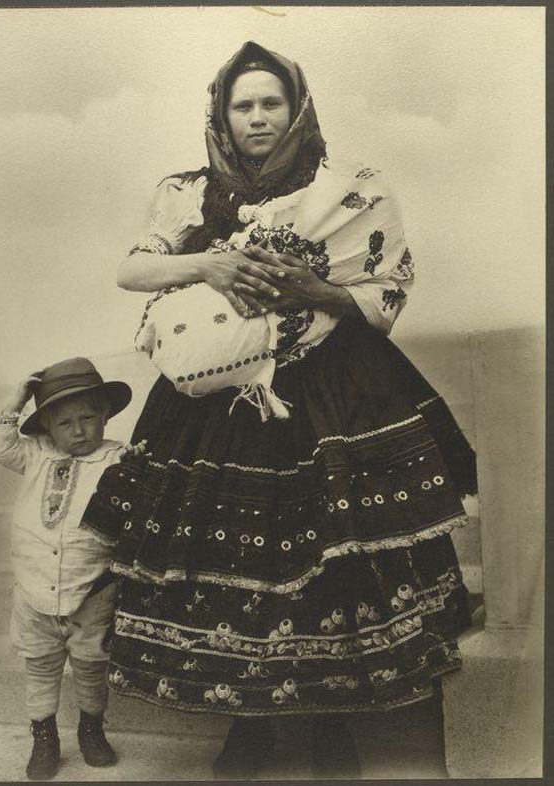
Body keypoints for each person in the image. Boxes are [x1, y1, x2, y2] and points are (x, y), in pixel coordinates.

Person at [81, 42, 477, 779]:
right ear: (222, 118)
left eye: (271, 103)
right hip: (217, 401)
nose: (257, 117)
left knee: (332, 564)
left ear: (295, 110)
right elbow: (131, 268)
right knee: (226, 564)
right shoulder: (188, 189)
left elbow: (384, 292)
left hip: (334, 394)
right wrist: (209, 263)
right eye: (243, 105)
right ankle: (249, 725)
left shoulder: (352, 187)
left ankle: (330, 727)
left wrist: (311, 289)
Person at [0, 356, 146, 780]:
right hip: (34, 589)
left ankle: (91, 730)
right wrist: (16, 399)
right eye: (65, 423)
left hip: (92, 589)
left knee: (92, 667)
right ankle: (44, 736)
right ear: (47, 428)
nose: (78, 430)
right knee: (40, 666)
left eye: (88, 418)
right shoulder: (34, 454)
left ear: (106, 415)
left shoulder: (119, 459)